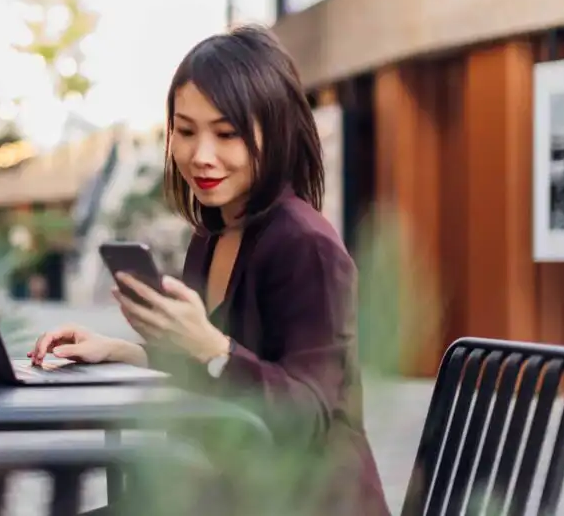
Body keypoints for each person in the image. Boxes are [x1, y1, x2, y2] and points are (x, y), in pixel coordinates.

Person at [29, 25, 390, 515]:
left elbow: (309, 418)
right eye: (185, 130)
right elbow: (216, 372)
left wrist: (209, 347)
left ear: (275, 131)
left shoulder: (305, 246)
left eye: (227, 133)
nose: (200, 156)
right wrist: (118, 350)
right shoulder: (214, 233)